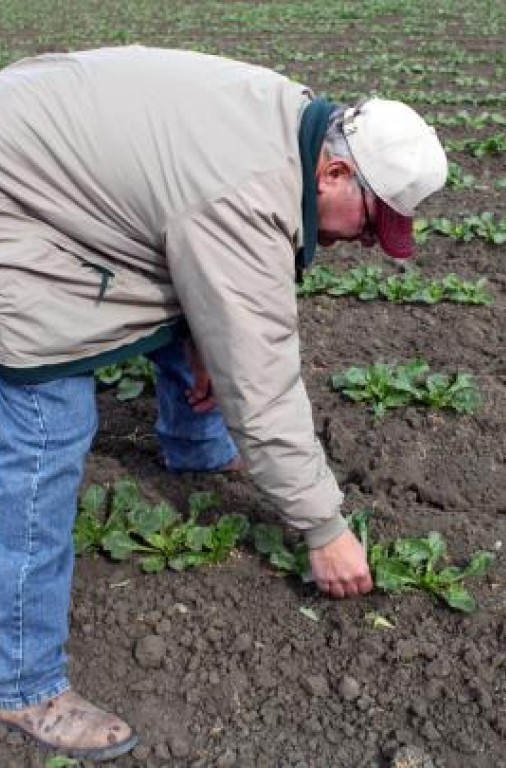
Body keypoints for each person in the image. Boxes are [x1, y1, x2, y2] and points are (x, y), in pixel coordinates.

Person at [0, 46, 447, 761]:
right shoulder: (243, 194)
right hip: (18, 202)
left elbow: (185, 226)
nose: (365, 242)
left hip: (47, 141)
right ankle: (22, 685)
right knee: (48, 419)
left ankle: (197, 454)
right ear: (333, 171)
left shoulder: (294, 114)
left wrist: (209, 339)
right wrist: (324, 528)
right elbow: (261, 383)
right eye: (369, 222)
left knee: (200, 320)